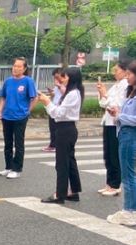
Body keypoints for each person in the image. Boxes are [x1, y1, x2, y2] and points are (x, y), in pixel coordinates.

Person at [106, 60, 136, 226]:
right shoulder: (134, 92)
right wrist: (118, 112)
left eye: (130, 73)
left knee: (128, 175)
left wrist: (120, 117)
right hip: (126, 134)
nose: (127, 76)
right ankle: (134, 210)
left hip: (131, 135)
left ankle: (128, 211)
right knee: (131, 174)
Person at [37, 67, 84, 204]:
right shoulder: (72, 92)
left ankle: (60, 194)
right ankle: (73, 191)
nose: (62, 79)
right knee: (69, 161)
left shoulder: (72, 94)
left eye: (65, 77)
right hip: (67, 128)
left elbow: (58, 113)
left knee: (62, 163)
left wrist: (47, 102)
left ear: (71, 78)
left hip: (65, 129)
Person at [0, 57, 37, 179]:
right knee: (7, 143)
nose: (16, 68)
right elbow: (3, 98)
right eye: (14, 65)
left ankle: (17, 168)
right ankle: (8, 166)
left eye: (19, 66)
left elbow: (34, 98)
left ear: (24, 69)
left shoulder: (28, 81)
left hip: (20, 116)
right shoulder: (8, 81)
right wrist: (0, 112)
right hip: (7, 116)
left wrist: (27, 111)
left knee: (18, 143)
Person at [96, 61, 128, 197]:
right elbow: (103, 103)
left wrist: (106, 96)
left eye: (117, 70)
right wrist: (101, 92)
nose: (115, 73)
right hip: (108, 122)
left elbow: (117, 105)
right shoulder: (116, 86)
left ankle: (115, 185)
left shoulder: (125, 86)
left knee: (114, 155)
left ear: (125, 72)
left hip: (116, 123)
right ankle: (109, 183)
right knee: (107, 154)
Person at [42, 68, 64, 152]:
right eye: (54, 77)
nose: (56, 79)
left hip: (60, 109)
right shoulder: (57, 85)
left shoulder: (66, 85)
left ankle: (55, 145)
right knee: (52, 128)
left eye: (57, 77)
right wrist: (51, 93)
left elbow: (66, 94)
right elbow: (55, 96)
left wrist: (59, 86)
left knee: (57, 128)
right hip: (53, 108)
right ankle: (53, 144)